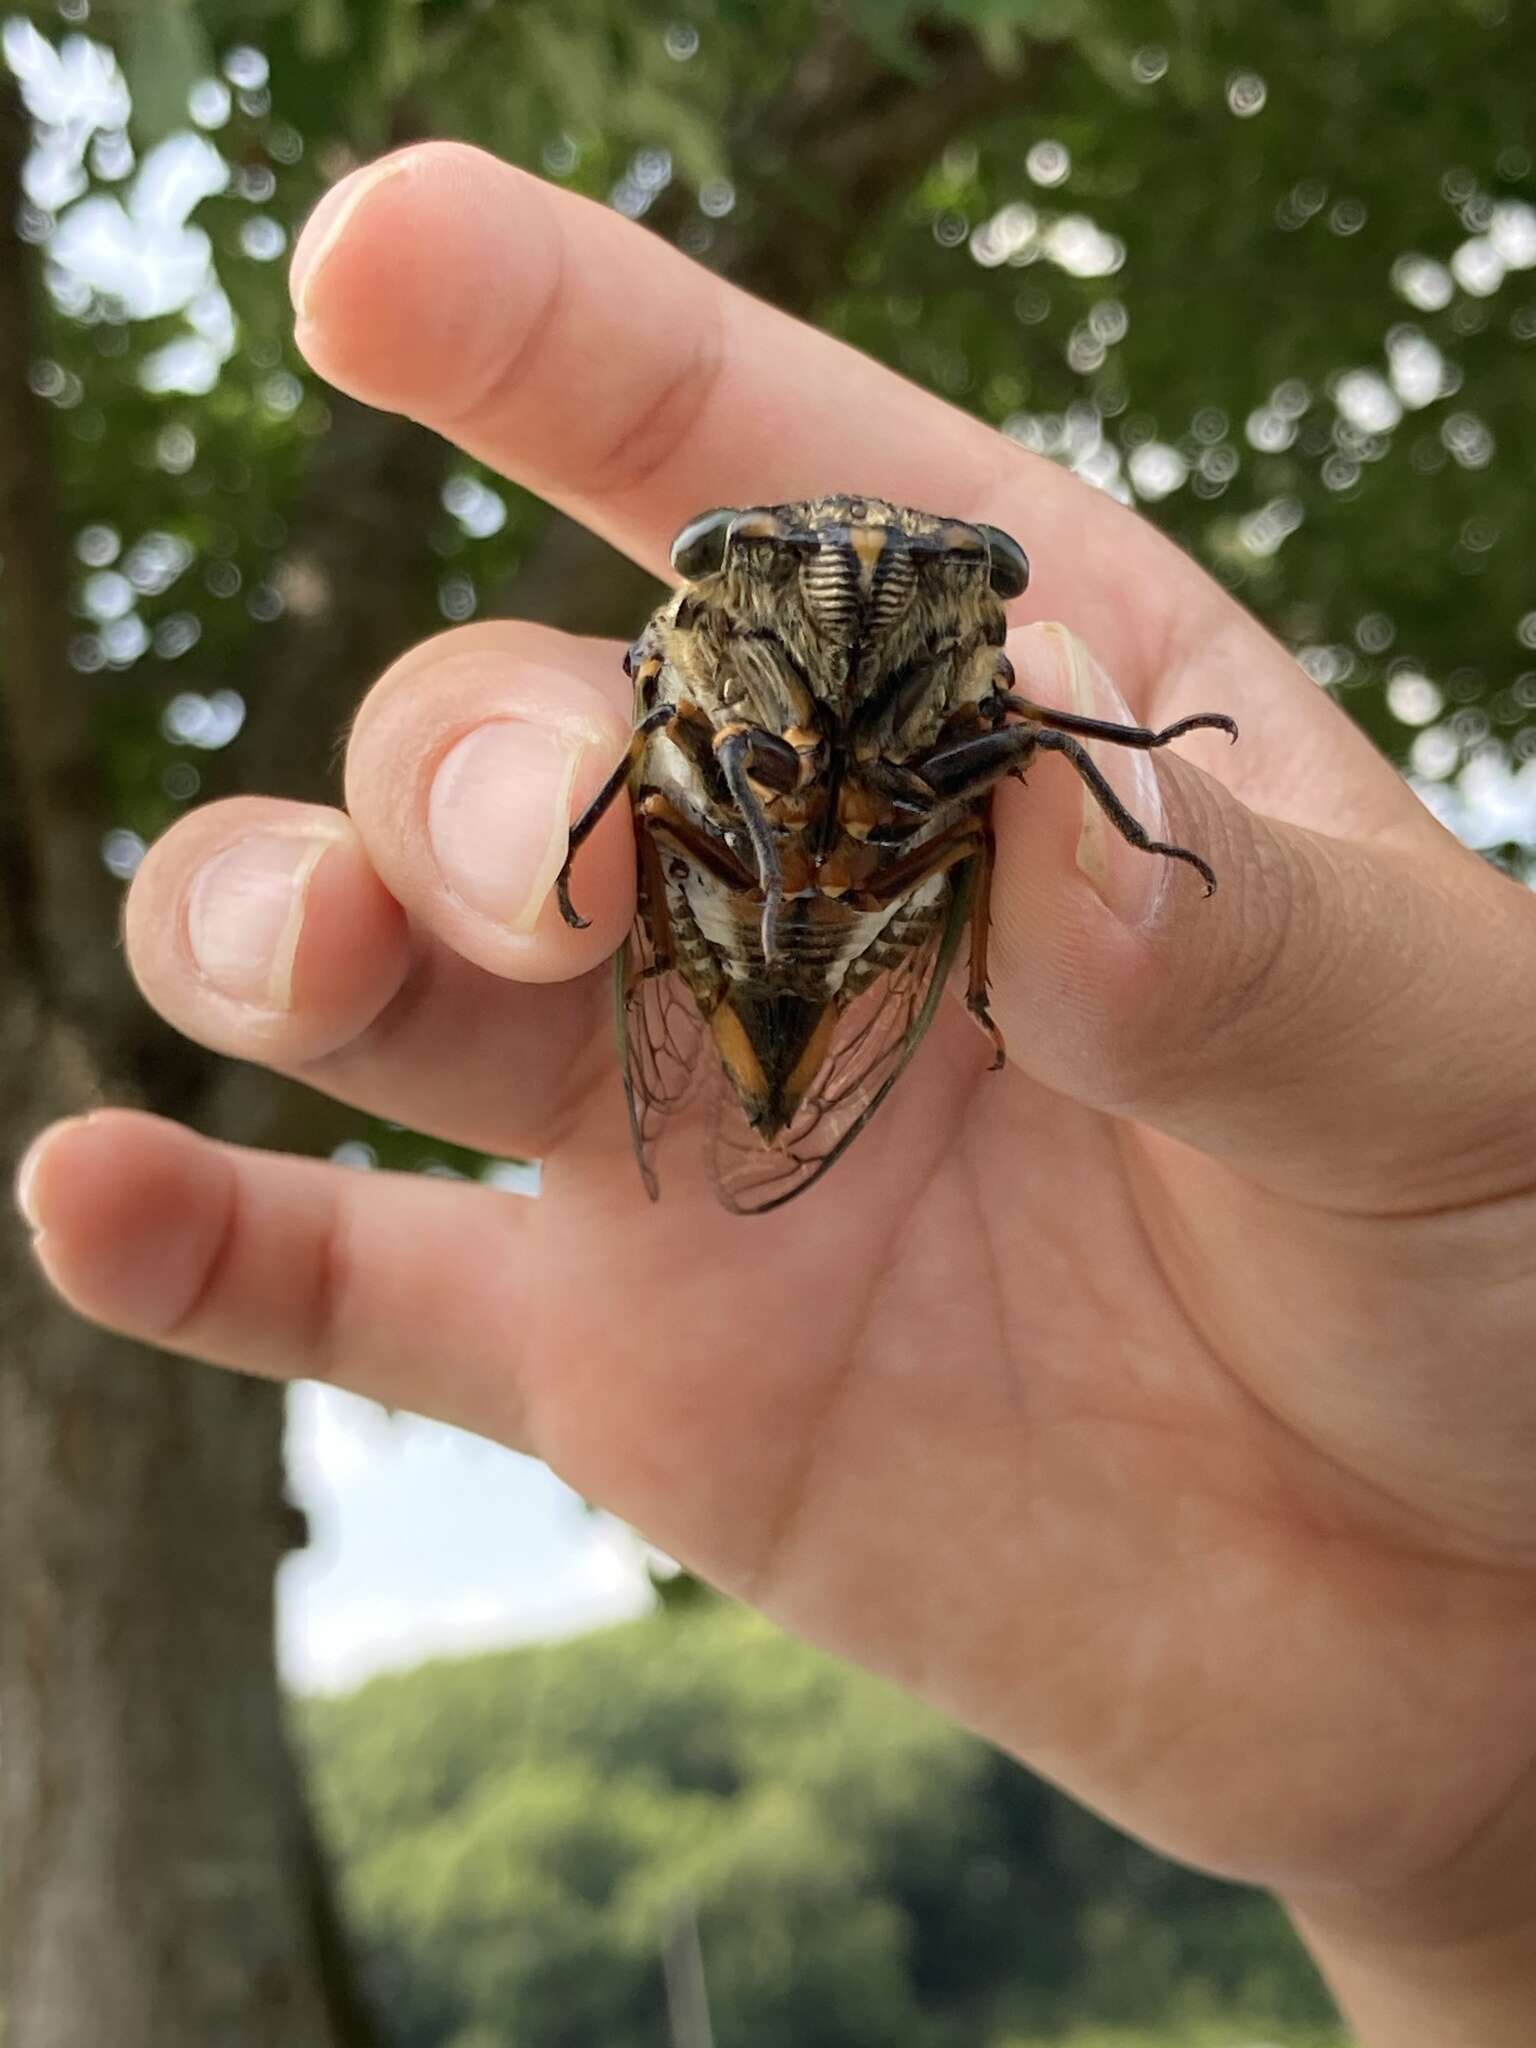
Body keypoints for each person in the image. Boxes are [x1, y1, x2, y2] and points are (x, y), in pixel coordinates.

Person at [15, 143, 1536, 2045]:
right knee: (601, 784)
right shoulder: (689, 652)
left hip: (891, 887)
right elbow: (644, 747)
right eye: (767, 574)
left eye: (944, 578)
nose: (865, 593)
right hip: (720, 903)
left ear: (978, 609)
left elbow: (1037, 751)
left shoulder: (987, 688)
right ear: (713, 596)